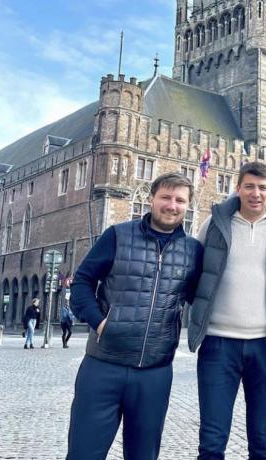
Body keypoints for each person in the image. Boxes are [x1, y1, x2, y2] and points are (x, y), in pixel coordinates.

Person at [67, 172, 203, 460]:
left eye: (180, 200)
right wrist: (100, 323)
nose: (172, 205)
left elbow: (203, 297)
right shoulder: (117, 235)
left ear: (188, 206)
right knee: (83, 453)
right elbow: (82, 282)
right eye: (166, 197)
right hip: (103, 366)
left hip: (154, 373)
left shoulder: (193, 251)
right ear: (151, 198)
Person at [187, 162, 266, 460]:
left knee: (263, 442)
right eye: (249, 186)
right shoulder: (215, 224)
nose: (256, 194)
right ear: (238, 188)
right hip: (218, 344)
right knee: (212, 440)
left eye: (262, 188)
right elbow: (192, 272)